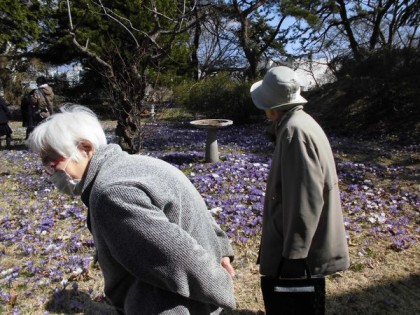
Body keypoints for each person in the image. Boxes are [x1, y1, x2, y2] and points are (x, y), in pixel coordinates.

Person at [26, 105, 236, 315]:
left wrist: (222, 287)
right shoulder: (137, 163)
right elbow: (195, 205)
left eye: (53, 163)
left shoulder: (112, 193)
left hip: (169, 306)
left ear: (85, 148)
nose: (51, 174)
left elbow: (177, 257)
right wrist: (221, 248)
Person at [250, 66, 350, 308]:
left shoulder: (295, 132)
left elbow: (305, 199)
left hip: (301, 253)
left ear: (270, 108)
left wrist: (294, 256)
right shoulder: (300, 122)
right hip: (303, 245)